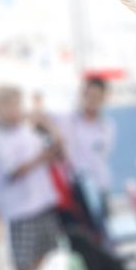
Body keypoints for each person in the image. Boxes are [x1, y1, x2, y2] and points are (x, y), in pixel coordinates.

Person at [0, 86, 60, 270]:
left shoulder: (26, 130)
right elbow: (12, 171)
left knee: (44, 246)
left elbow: (47, 150)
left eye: (19, 103)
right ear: (0, 107)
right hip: (19, 207)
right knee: (23, 254)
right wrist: (41, 158)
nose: (19, 109)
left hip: (41, 200)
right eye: (14, 104)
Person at [50, 78, 115, 213]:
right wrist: (57, 135)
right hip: (73, 186)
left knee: (100, 229)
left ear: (103, 98)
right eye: (89, 95)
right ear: (83, 94)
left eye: (97, 97)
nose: (92, 100)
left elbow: (100, 158)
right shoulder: (67, 119)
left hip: (98, 187)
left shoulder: (106, 127)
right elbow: (40, 117)